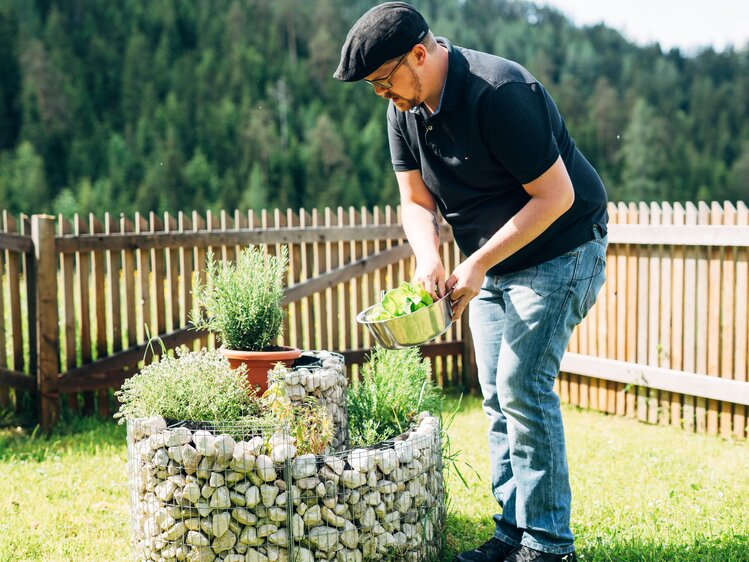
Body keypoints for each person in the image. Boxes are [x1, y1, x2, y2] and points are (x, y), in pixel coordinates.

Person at [334, 2, 608, 562]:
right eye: (375, 90)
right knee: (496, 397)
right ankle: (513, 533)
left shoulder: (499, 93)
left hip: (564, 246)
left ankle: (550, 546)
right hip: (495, 261)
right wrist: (428, 256)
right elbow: (415, 201)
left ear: (419, 54)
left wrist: (477, 262)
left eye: (385, 82)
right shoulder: (404, 110)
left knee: (521, 388)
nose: (384, 97)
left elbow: (558, 197)